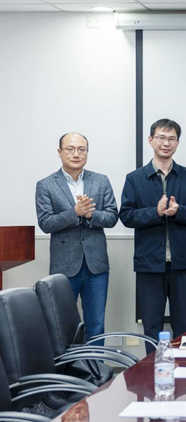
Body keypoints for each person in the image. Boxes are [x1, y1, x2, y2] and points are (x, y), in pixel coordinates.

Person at [119, 119, 186, 352]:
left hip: (181, 262)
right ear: (151, 140)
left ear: (177, 142)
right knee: (151, 325)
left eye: (171, 139)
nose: (166, 143)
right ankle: (153, 371)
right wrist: (155, 212)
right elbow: (126, 216)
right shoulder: (135, 178)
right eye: (161, 137)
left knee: (183, 325)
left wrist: (179, 211)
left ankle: (182, 370)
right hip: (149, 263)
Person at [35, 133, 118, 344]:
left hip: (96, 266)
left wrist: (91, 215)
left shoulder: (100, 181)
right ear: (60, 152)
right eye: (70, 149)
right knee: (63, 327)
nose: (76, 154)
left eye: (82, 149)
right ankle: (68, 367)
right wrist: (75, 212)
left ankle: (95, 367)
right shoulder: (46, 185)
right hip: (64, 267)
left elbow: (112, 217)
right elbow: (46, 223)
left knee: (96, 326)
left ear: (87, 153)